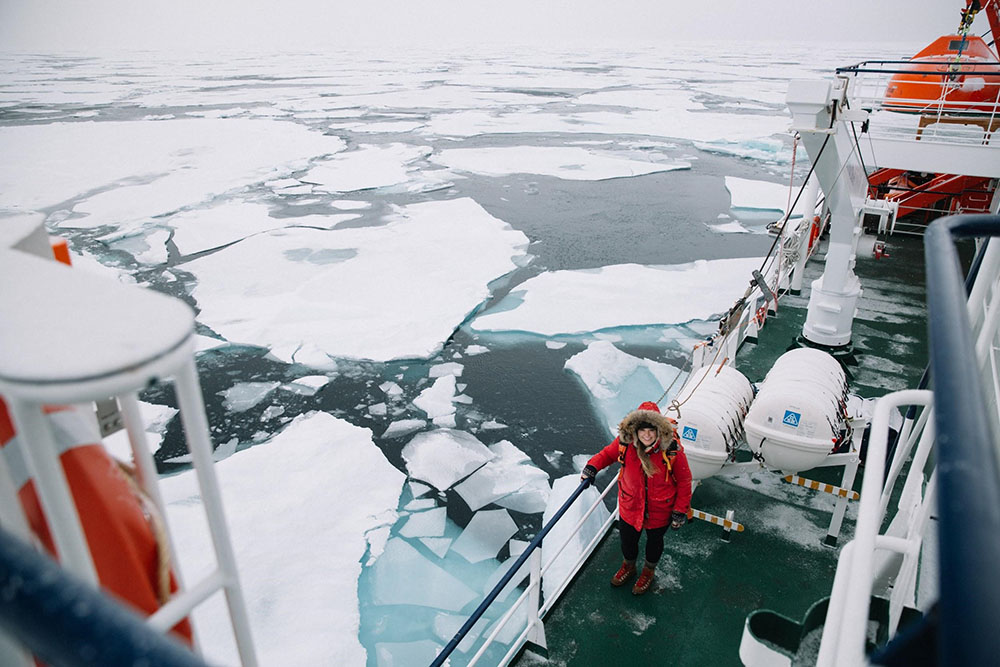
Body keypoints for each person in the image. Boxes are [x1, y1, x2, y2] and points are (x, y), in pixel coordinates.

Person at [581, 400, 692, 595]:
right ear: (635, 430)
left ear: (659, 429)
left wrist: (679, 511)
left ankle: (648, 572)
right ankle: (629, 567)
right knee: (627, 541)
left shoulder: (672, 450)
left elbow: (684, 481)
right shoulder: (625, 444)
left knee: (654, 543)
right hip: (630, 507)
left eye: (651, 430)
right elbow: (607, 454)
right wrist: (592, 467)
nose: (647, 435)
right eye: (642, 430)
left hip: (660, 511)